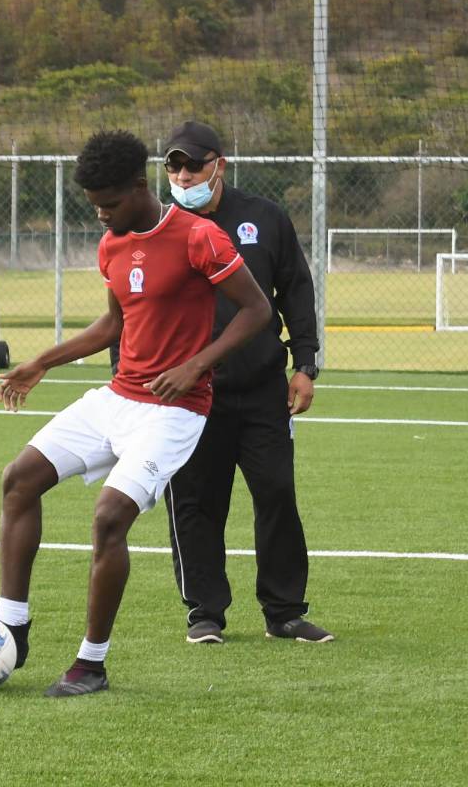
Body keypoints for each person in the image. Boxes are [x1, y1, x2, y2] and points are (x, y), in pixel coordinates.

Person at [0, 129, 271, 697]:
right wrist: (42, 361)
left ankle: (90, 664)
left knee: (107, 519)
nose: (101, 215)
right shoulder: (112, 243)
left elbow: (257, 310)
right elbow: (113, 325)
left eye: (110, 203)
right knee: (19, 480)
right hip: (117, 397)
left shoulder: (200, 237)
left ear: (140, 187)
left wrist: (197, 365)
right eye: (93, 205)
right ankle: (13, 627)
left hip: (173, 411)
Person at [153, 120, 333, 645]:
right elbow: (133, 311)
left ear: (220, 165)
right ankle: (205, 612)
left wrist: (305, 364)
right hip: (187, 397)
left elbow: (296, 291)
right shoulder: (158, 229)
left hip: (260, 389)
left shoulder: (264, 218)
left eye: (193, 165)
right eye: (174, 166)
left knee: (276, 493)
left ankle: (285, 612)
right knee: (195, 503)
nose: (184, 176)